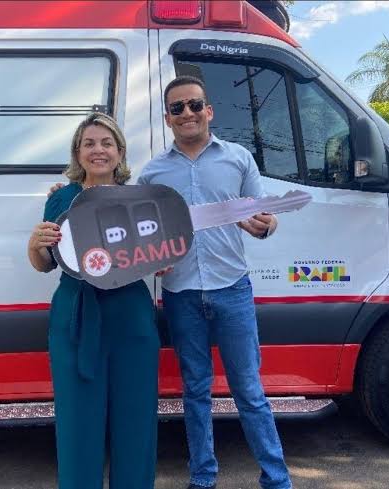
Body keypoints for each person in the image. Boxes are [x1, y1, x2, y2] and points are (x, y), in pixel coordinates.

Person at [137, 75, 292, 489]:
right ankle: (203, 478)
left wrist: (266, 225)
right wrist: (153, 259)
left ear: (209, 110)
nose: (186, 113)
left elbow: (264, 217)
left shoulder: (239, 159)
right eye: (177, 108)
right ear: (168, 118)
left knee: (250, 391)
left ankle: (277, 480)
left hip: (232, 289)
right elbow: (143, 235)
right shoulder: (152, 175)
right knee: (195, 392)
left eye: (194, 104)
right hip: (181, 294)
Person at [28, 113, 159, 489]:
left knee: (136, 422)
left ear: (120, 151)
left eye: (106, 143)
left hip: (131, 319)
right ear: (77, 152)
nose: (98, 150)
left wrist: (162, 261)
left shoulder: (140, 199)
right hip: (76, 318)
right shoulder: (61, 199)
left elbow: (158, 253)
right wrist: (34, 246)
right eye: (89, 143)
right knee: (77, 426)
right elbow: (45, 263)